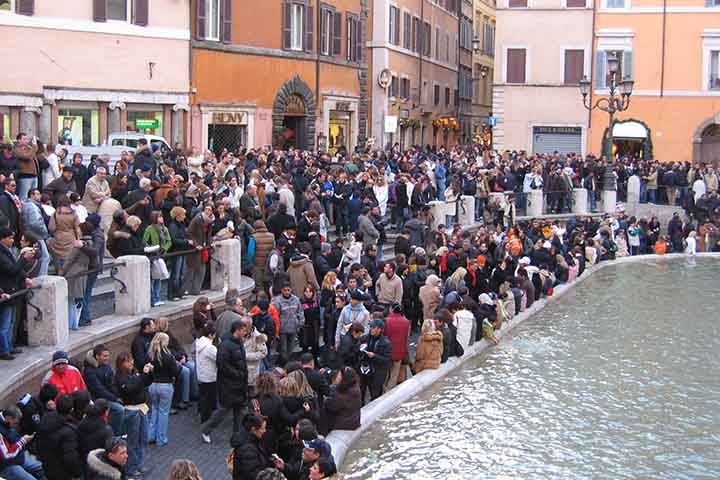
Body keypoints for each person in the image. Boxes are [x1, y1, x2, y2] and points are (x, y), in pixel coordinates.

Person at [202, 320, 248, 441]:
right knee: (223, 410)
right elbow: (222, 364)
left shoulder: (238, 342)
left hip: (239, 383)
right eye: (244, 330)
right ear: (237, 330)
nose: (245, 332)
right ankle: (206, 429)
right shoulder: (226, 345)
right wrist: (237, 374)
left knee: (240, 411)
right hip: (229, 385)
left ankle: (237, 435)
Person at [113, 351, 152, 478]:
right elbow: (130, 389)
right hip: (131, 410)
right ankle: (131, 467)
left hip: (141, 408)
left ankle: (139, 464)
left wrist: (148, 374)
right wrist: (142, 376)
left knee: (143, 439)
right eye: (128, 361)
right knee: (132, 441)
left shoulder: (134, 373)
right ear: (121, 363)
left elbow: (145, 383)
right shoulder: (120, 377)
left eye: (131, 360)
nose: (131, 362)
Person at [0, 226, 34, 360]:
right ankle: (4, 350)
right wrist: (24, 259)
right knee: (5, 323)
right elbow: (12, 269)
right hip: (6, 291)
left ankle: (9, 346)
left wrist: (25, 277)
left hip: (12, 290)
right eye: (10, 238)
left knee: (11, 321)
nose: (13, 240)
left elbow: (15, 269)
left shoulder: (6, 251)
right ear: (3, 239)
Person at [36, 394, 82, 480]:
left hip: (47, 466)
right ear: (71, 410)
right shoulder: (68, 432)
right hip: (63, 473)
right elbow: (70, 458)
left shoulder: (45, 419)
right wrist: (78, 473)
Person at [146, 332, 180, 447]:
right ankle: (161, 438)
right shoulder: (169, 356)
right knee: (163, 413)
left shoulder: (150, 355)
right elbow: (175, 372)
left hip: (153, 385)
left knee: (154, 410)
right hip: (165, 386)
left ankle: (151, 435)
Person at [83, 344, 124, 435]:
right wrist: (115, 398)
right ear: (97, 356)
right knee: (119, 409)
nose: (107, 358)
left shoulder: (107, 367)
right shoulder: (89, 371)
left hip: (108, 396)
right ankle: (114, 434)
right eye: (104, 356)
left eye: (108, 355)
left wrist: (119, 395)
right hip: (97, 399)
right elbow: (98, 389)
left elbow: (111, 384)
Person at [0, 406, 44, 480]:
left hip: (19, 456)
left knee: (43, 466)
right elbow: (6, 455)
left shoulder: (7, 422)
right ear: (8, 418)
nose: (15, 426)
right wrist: (23, 441)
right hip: (6, 466)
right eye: (15, 423)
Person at [230, 413, 274, 480]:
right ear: (253, 429)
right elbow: (254, 474)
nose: (265, 431)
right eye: (262, 428)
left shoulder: (252, 439)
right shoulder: (247, 449)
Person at [358, 319, 392, 404]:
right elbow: (357, 348)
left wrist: (374, 356)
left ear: (380, 329)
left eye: (374, 327)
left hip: (378, 372)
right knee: (361, 390)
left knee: (376, 394)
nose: (371, 329)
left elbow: (387, 360)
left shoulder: (385, 343)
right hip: (365, 369)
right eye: (371, 327)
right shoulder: (365, 338)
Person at [143, 211, 172, 307]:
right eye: (159, 217)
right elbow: (145, 241)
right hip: (153, 255)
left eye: (161, 216)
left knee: (159, 277)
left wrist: (165, 248)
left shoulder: (165, 229)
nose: (161, 218)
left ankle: (157, 297)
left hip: (161, 254)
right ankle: (153, 298)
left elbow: (169, 240)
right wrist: (152, 248)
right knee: (153, 278)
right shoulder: (149, 229)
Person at [77, 400, 114, 473]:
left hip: (84, 463)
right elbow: (110, 449)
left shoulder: (80, 424)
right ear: (106, 412)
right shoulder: (106, 429)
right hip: (101, 465)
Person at [272, 283, 304, 365]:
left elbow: (300, 312)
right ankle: (284, 364)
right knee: (283, 349)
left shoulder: (296, 299)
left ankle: (287, 363)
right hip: (283, 329)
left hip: (293, 327)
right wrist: (277, 328)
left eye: (288, 290)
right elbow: (275, 315)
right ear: (281, 291)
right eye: (285, 290)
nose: (287, 292)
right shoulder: (277, 301)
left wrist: (300, 323)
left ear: (291, 290)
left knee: (291, 348)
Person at [195, 322, 218, 426]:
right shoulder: (210, 348)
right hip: (210, 376)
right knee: (209, 400)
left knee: (203, 397)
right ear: (210, 335)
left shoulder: (199, 343)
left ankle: (202, 416)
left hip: (201, 375)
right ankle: (206, 420)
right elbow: (219, 359)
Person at [324, 366, 361, 432]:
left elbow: (332, 406)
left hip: (344, 424)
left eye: (340, 375)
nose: (338, 377)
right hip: (353, 421)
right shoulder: (354, 386)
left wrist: (325, 400)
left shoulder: (346, 392)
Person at [383, 303, 410, 391]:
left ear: (392, 309)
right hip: (400, 352)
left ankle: (383, 390)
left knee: (386, 373)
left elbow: (384, 335)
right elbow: (406, 338)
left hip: (387, 352)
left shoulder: (387, 320)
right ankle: (389, 391)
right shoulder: (406, 322)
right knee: (394, 375)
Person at [242, 316, 268, 397]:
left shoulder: (258, 337)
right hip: (241, 369)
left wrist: (246, 356)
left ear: (248, 326)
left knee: (252, 392)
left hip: (252, 369)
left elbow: (263, 353)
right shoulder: (240, 334)